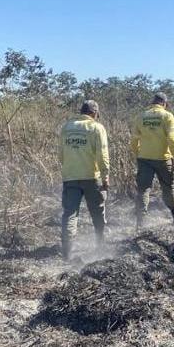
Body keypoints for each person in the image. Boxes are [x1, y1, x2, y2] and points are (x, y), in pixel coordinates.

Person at [59, 100, 109, 258]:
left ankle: (67, 252)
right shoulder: (96, 127)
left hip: (70, 177)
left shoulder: (66, 127)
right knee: (97, 212)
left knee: (70, 214)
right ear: (94, 113)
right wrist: (105, 175)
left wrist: (70, 168)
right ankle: (100, 244)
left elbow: (61, 154)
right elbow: (103, 155)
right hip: (91, 177)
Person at [132, 93, 174, 227]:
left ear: (152, 102)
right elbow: (172, 138)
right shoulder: (167, 116)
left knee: (143, 190)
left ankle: (140, 224)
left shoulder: (141, 116)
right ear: (164, 103)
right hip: (162, 158)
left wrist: (138, 153)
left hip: (144, 158)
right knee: (168, 187)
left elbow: (134, 139)